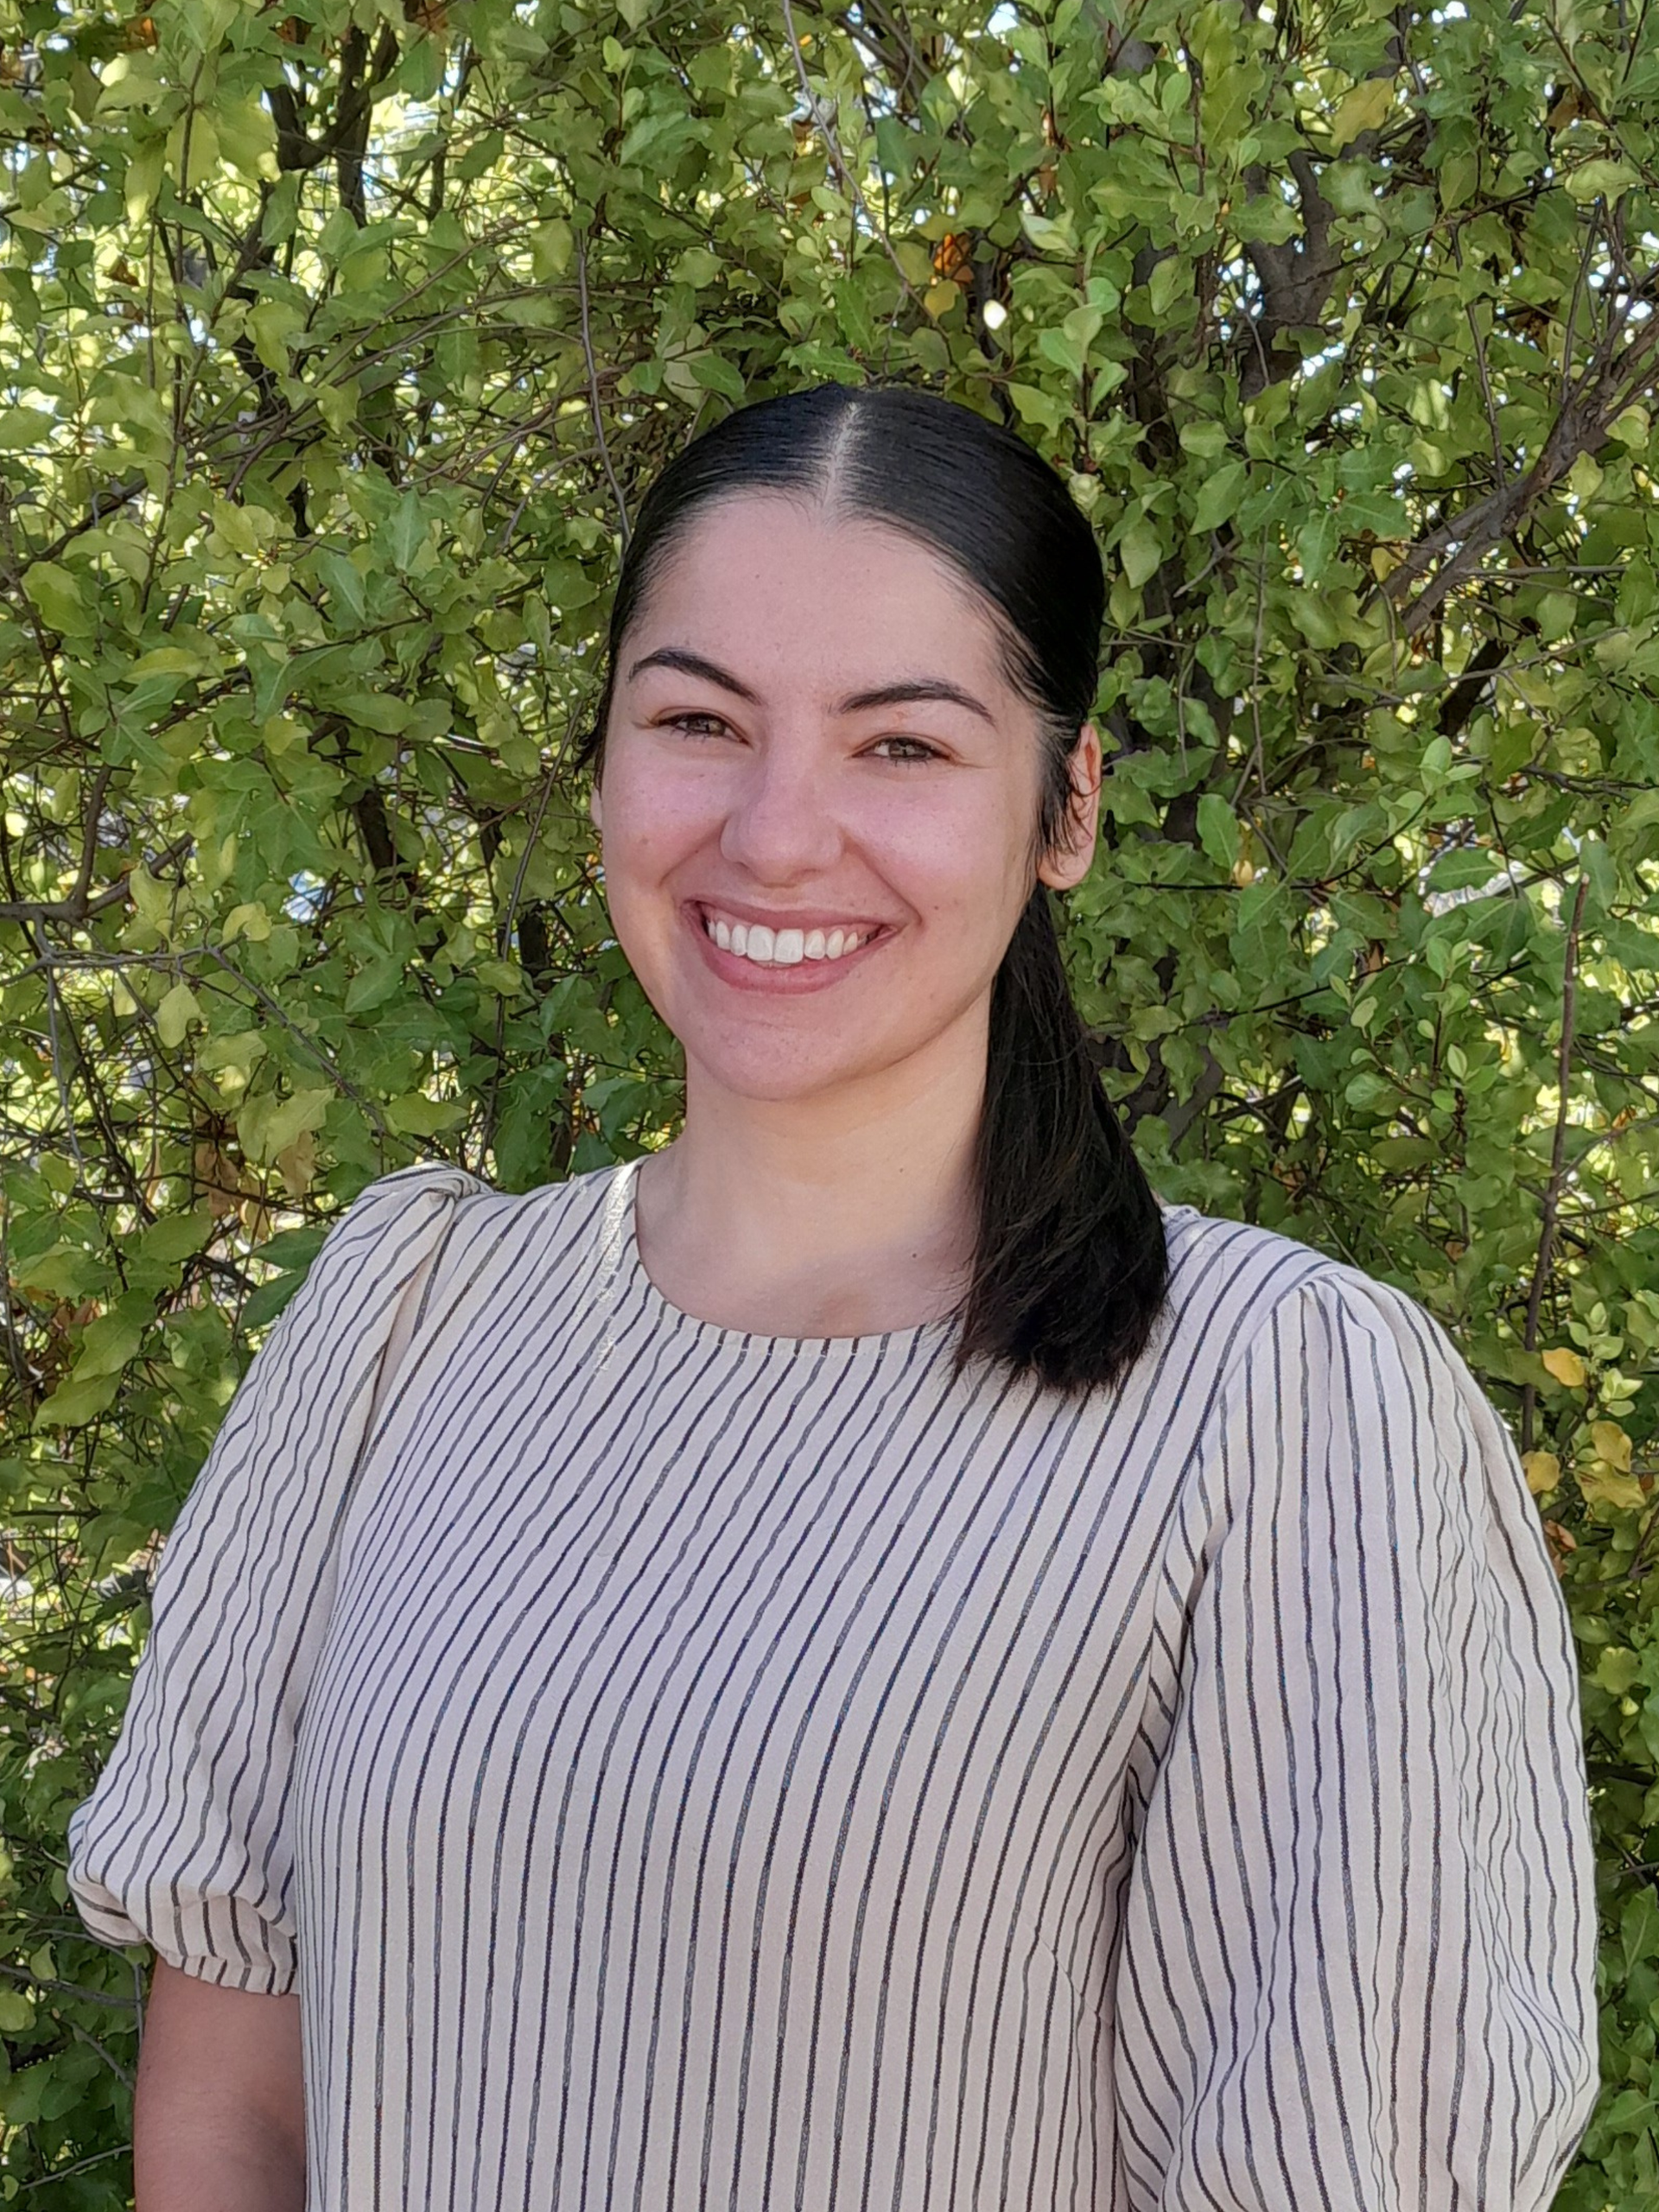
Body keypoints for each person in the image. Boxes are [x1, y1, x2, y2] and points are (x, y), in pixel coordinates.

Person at [69, 384, 1599, 2210]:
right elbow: (236, 2109)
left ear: (1067, 806)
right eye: (702, 718)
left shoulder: (1287, 1406)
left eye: (902, 746)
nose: (779, 834)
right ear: (607, 761)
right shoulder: (403, 1322)